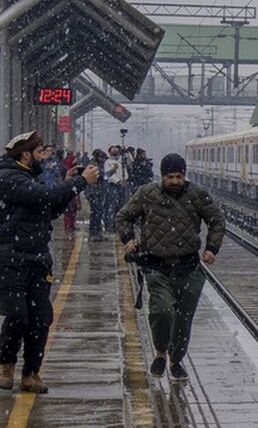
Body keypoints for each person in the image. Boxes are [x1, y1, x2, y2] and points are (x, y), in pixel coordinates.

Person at [0, 132, 98, 393]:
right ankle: (6, 363)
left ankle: (31, 373)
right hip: (11, 258)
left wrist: (67, 186)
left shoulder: (29, 177)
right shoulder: (9, 178)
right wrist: (78, 183)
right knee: (18, 315)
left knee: (41, 317)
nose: (45, 156)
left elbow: (49, 207)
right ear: (25, 154)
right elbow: (41, 196)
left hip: (38, 258)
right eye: (40, 152)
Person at [117, 153, 225, 381]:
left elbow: (216, 219)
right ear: (163, 177)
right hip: (157, 267)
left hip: (188, 267)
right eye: (170, 177)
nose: (175, 181)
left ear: (184, 175)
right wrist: (128, 238)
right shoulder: (147, 194)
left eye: (179, 176)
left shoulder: (196, 194)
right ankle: (160, 353)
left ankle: (176, 359)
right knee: (162, 311)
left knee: (184, 318)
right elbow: (124, 217)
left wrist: (211, 248)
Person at [85, 149, 108, 237]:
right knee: (95, 212)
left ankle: (97, 232)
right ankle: (93, 233)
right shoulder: (92, 164)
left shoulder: (99, 164)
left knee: (99, 212)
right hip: (92, 191)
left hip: (98, 191)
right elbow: (101, 174)